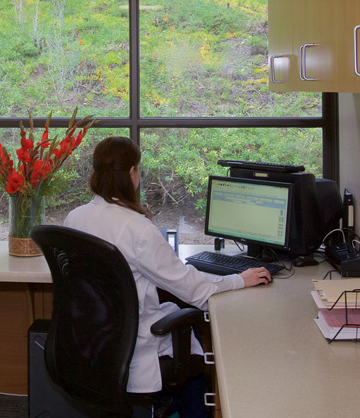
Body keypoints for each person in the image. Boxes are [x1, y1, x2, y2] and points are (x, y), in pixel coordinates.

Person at [64, 136, 271, 415]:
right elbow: (197, 291)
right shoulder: (137, 229)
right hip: (134, 348)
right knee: (195, 345)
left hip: (94, 344)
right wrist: (239, 279)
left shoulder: (74, 218)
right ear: (131, 173)